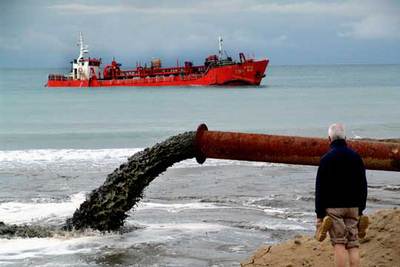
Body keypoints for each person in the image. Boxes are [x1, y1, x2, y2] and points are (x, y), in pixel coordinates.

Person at [315, 123, 368, 267]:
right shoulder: (356, 157)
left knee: (339, 243)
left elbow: (320, 189)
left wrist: (319, 215)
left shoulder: (326, 159)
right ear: (346, 138)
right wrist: (361, 209)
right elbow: (363, 185)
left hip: (334, 209)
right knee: (353, 244)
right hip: (353, 207)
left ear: (329, 139)